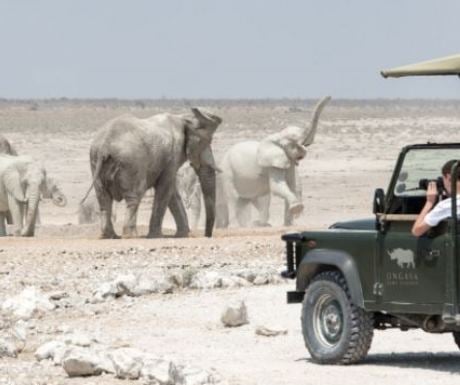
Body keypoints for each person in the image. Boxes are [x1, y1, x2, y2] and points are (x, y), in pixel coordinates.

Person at [412, 159, 460, 236]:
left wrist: (429, 202)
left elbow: (417, 231)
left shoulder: (447, 206)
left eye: (443, 179)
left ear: (448, 177)